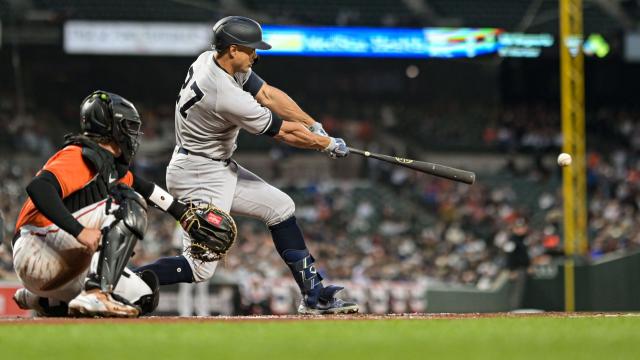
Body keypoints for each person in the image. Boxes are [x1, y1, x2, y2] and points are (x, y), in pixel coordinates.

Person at [135, 16, 358, 314]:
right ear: (232, 50)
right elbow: (283, 132)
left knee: (281, 207)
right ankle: (126, 281)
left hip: (215, 165)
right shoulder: (223, 95)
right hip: (198, 175)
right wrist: (326, 144)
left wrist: (313, 124)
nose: (256, 54)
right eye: (251, 48)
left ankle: (314, 295)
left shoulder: (209, 59)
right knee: (200, 269)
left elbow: (268, 94)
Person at [11, 90, 200, 317]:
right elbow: (39, 188)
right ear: (112, 127)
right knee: (129, 203)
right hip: (37, 246)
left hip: (59, 266)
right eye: (129, 126)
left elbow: (147, 188)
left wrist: (186, 215)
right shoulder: (79, 154)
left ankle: (44, 300)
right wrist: (79, 231)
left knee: (144, 296)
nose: (134, 134)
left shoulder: (108, 166)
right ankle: (97, 292)